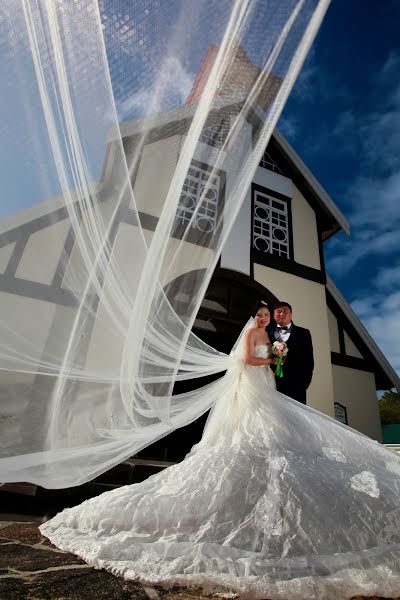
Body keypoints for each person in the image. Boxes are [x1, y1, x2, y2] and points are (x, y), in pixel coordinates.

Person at [39, 302, 400, 599]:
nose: (266, 319)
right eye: (261, 316)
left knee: (281, 435)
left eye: (269, 315)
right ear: (258, 319)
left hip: (273, 387)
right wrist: (273, 356)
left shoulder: (287, 334)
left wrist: (278, 359)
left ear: (284, 315)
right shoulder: (259, 336)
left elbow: (301, 363)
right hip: (257, 383)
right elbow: (249, 359)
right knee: (252, 430)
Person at [268, 301, 314, 405]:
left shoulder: (304, 333)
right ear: (273, 314)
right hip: (271, 385)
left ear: (291, 314)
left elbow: (308, 361)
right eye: (278, 311)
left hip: (297, 386)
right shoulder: (266, 332)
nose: (282, 314)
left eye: (285, 311)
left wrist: (304, 384)